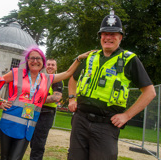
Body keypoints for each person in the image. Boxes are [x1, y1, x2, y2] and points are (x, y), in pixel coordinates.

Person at [67, 11, 156, 160]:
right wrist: (71, 98)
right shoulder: (90, 57)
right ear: (100, 37)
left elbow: (150, 92)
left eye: (113, 34)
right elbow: (73, 79)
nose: (108, 37)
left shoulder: (129, 59)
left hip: (106, 125)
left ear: (120, 37)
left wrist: (127, 115)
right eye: (105, 33)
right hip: (80, 120)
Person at [0, 45, 93, 160]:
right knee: (4, 157)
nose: (35, 61)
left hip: (27, 126)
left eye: (38, 58)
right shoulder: (17, 73)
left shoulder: (46, 79)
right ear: (27, 61)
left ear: (43, 62)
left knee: (15, 158)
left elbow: (67, 73)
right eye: (32, 58)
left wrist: (78, 59)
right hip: (9, 123)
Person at [30, 59, 63, 160]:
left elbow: (56, 97)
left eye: (53, 65)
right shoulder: (40, 78)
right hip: (33, 110)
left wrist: (37, 99)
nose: (50, 66)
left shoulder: (57, 80)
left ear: (56, 68)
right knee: (30, 139)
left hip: (46, 113)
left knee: (38, 143)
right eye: (48, 64)